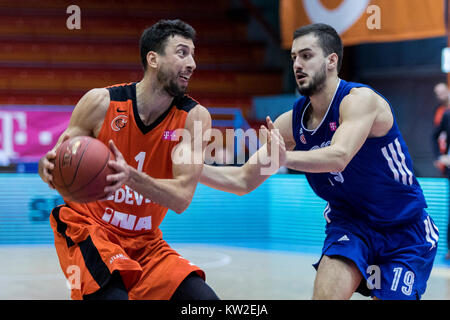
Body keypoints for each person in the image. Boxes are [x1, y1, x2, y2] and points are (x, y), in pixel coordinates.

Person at [200, 23, 439, 300]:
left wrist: (285, 157)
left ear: (331, 61)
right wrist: (191, 169)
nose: (297, 65)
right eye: (293, 58)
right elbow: (242, 180)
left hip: (403, 229)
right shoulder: (288, 125)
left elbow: (339, 157)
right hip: (351, 225)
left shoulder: (361, 101)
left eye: (306, 55)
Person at [38, 19, 219, 300]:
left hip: (146, 244)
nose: (193, 63)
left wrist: (130, 176)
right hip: (89, 230)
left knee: (206, 303)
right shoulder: (100, 103)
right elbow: (56, 164)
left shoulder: (194, 118)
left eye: (193, 54)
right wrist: (46, 168)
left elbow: (182, 197)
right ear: (153, 59)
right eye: (183, 52)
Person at [432, 82, 450, 175]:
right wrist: (439, 156)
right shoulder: (442, 113)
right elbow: (436, 135)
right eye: (438, 93)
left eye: (442, 92)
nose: (440, 95)